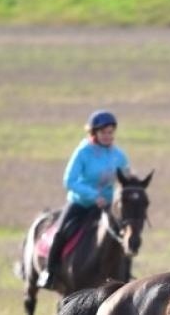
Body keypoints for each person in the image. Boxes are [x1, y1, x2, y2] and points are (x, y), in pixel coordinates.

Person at [39, 109, 131, 288]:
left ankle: (125, 276)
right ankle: (49, 272)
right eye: (103, 132)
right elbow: (69, 180)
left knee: (124, 236)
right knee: (60, 232)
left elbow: (126, 178)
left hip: (107, 206)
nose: (107, 136)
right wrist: (94, 196)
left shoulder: (118, 155)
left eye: (110, 132)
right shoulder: (83, 152)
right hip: (81, 203)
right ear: (94, 133)